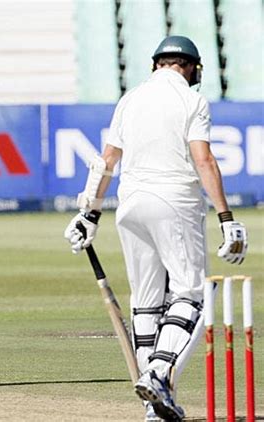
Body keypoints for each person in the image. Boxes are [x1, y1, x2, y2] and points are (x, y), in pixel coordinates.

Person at [64, 35, 248, 421]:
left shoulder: (130, 98)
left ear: (156, 64)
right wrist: (226, 217)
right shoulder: (192, 100)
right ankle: (159, 373)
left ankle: (154, 405)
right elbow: (204, 160)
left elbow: (107, 160)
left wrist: (89, 213)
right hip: (174, 201)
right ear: (192, 67)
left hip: (129, 205)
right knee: (192, 293)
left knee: (146, 301)